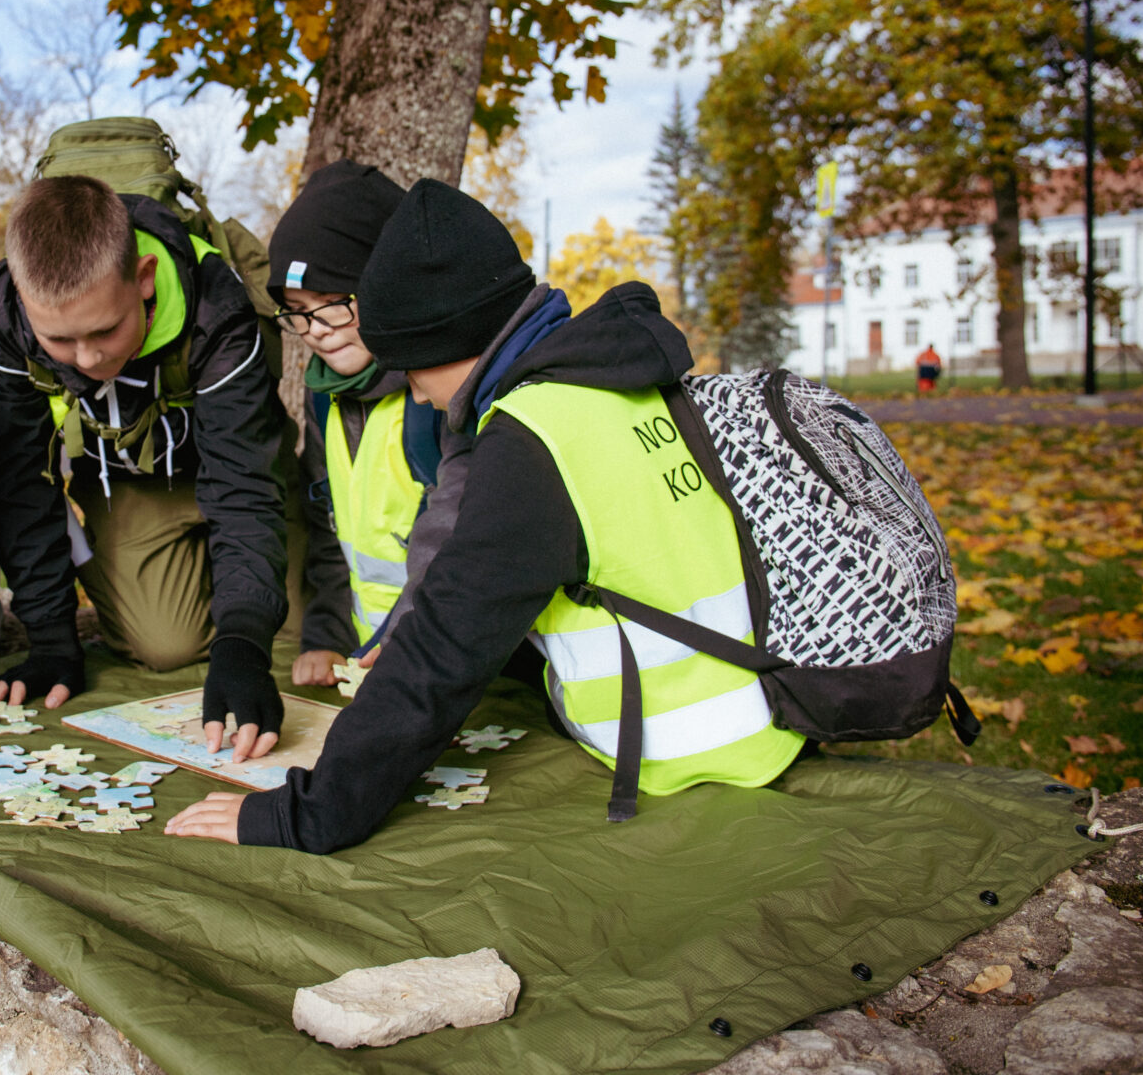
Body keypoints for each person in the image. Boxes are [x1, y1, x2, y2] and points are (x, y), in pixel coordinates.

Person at [168, 178, 805, 851]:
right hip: (759, 719)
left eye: (412, 367)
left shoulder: (532, 440)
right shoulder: (607, 381)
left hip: (684, 761)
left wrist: (305, 814)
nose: (415, 394)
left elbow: (444, 650)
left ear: (449, 339)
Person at [0, 174, 296, 761]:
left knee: (294, 634)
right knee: (166, 646)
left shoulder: (217, 304)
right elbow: (20, 483)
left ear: (144, 278)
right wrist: (50, 640)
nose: (88, 359)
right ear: (21, 296)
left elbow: (244, 485)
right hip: (130, 483)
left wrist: (243, 643)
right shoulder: (0, 316)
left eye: (106, 330)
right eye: (60, 341)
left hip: (237, 462)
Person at [264, 160, 443, 685]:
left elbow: (462, 549)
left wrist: (405, 655)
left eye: (334, 303)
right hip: (369, 659)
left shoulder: (438, 397)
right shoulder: (323, 398)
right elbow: (330, 533)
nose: (316, 329)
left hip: (442, 661)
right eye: (297, 309)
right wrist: (326, 634)